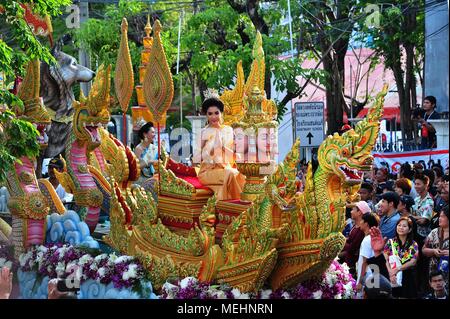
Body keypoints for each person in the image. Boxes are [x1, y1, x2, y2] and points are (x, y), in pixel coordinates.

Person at [197, 94, 245, 200]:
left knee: (240, 175)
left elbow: (236, 156)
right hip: (207, 172)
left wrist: (222, 148)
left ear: (221, 113)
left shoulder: (229, 130)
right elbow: (197, 158)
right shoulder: (203, 132)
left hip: (225, 168)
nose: (213, 117)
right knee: (231, 174)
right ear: (206, 115)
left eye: (216, 113)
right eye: (210, 114)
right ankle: (240, 204)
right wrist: (212, 152)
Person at [383, 217, 419, 298]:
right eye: (399, 225)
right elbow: (385, 259)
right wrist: (391, 273)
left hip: (407, 277)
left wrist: (398, 269)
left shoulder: (413, 244)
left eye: (404, 226)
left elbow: (413, 261)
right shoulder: (390, 242)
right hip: (392, 276)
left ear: (409, 230)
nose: (401, 228)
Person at [339, 201, 371, 277]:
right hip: (347, 260)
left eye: (353, 209)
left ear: (359, 212)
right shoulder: (356, 226)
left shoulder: (361, 230)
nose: (351, 212)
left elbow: (352, 248)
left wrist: (340, 241)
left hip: (352, 264)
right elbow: (349, 241)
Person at [422, 206, 449, 290]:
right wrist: (433, 251)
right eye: (439, 216)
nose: (439, 218)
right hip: (434, 273)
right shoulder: (434, 232)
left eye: (443, 216)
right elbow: (423, 250)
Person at [355, 213, 379, 297]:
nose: (360, 222)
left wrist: (360, 282)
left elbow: (365, 262)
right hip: (373, 276)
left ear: (366, 224)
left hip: (367, 278)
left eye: (362, 220)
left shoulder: (367, 240)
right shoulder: (373, 237)